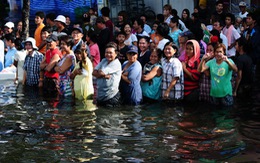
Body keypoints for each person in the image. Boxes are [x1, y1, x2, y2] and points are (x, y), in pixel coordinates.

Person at [92, 42, 121, 107]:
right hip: (100, 95)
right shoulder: (104, 60)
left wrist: (101, 73)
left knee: (109, 116)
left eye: (110, 53)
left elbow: (101, 73)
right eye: (106, 52)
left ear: (116, 54)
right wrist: (104, 75)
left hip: (111, 97)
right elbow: (93, 72)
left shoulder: (116, 63)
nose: (108, 54)